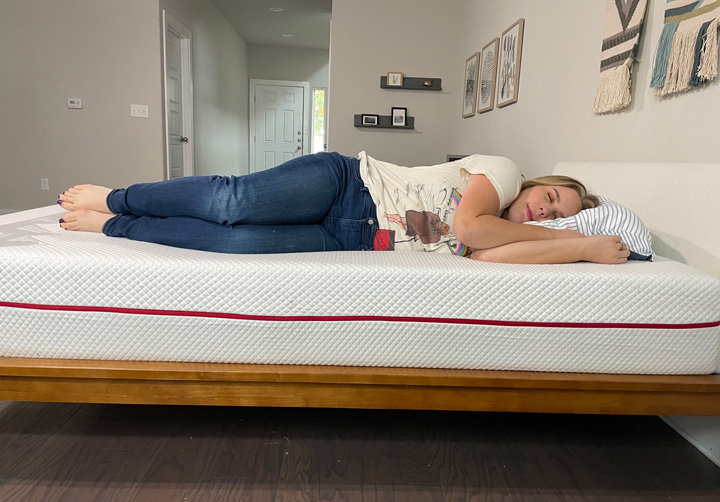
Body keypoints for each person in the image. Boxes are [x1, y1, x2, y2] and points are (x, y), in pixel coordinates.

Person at [57, 151, 630, 264]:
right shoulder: (501, 176)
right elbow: (466, 230)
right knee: (231, 201)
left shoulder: (505, 238)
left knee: (231, 244)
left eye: (558, 215)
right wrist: (566, 241)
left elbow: (487, 256)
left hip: (349, 240)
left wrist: (575, 244)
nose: (544, 212)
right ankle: (117, 196)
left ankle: (118, 225)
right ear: (536, 184)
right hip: (346, 187)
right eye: (549, 198)